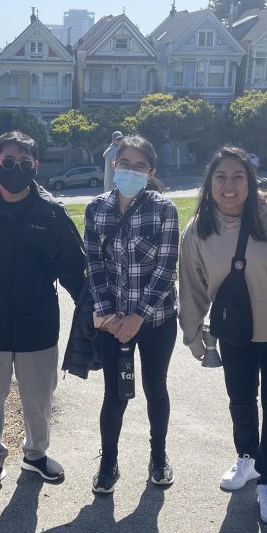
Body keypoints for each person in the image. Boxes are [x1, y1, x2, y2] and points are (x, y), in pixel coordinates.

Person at [0, 131, 86, 494]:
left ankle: (35, 455)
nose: (15, 169)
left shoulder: (51, 214)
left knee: (38, 399)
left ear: (35, 167)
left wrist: (96, 311)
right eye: (8, 162)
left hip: (37, 326)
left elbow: (75, 269)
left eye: (24, 164)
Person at [178, 147, 267, 525]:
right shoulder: (199, 228)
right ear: (209, 183)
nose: (229, 186)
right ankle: (247, 457)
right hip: (234, 333)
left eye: (237, 177)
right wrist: (192, 332)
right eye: (221, 177)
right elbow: (192, 286)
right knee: (241, 401)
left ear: (250, 180)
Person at [84, 135, 179, 494]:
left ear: (150, 172)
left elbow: (168, 267)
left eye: (140, 166)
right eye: (125, 164)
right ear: (114, 165)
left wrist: (138, 316)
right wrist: (109, 316)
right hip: (112, 323)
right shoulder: (96, 209)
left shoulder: (163, 209)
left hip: (155, 320)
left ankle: (158, 456)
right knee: (115, 394)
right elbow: (93, 264)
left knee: (155, 389)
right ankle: (108, 462)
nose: (131, 171)